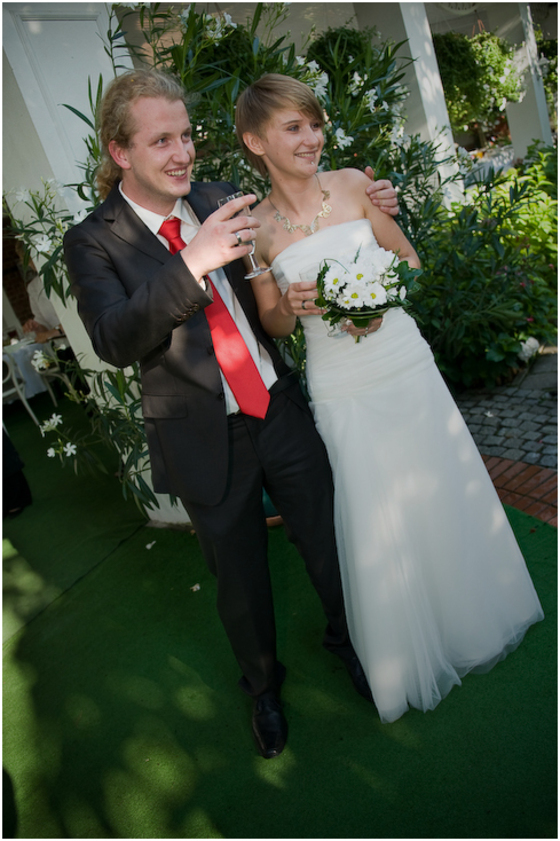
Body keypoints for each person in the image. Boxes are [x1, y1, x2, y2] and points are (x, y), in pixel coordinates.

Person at [63, 69, 400, 758]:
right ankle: (264, 688)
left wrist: (378, 202)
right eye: (162, 140)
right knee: (239, 579)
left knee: (329, 537)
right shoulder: (92, 239)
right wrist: (192, 263)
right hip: (200, 434)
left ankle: (351, 641)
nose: (183, 152)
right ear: (120, 152)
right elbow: (114, 339)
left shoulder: (221, 196)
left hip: (278, 405)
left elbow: (307, 215)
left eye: (186, 135)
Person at [235, 73, 544, 724]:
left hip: (402, 359)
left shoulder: (354, 185)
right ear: (256, 141)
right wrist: (290, 304)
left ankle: (474, 612)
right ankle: (407, 643)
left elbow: (409, 260)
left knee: (441, 480)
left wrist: (378, 295)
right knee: (373, 506)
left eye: (315, 124)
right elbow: (273, 324)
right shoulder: (254, 229)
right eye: (294, 127)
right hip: (339, 382)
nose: (312, 138)